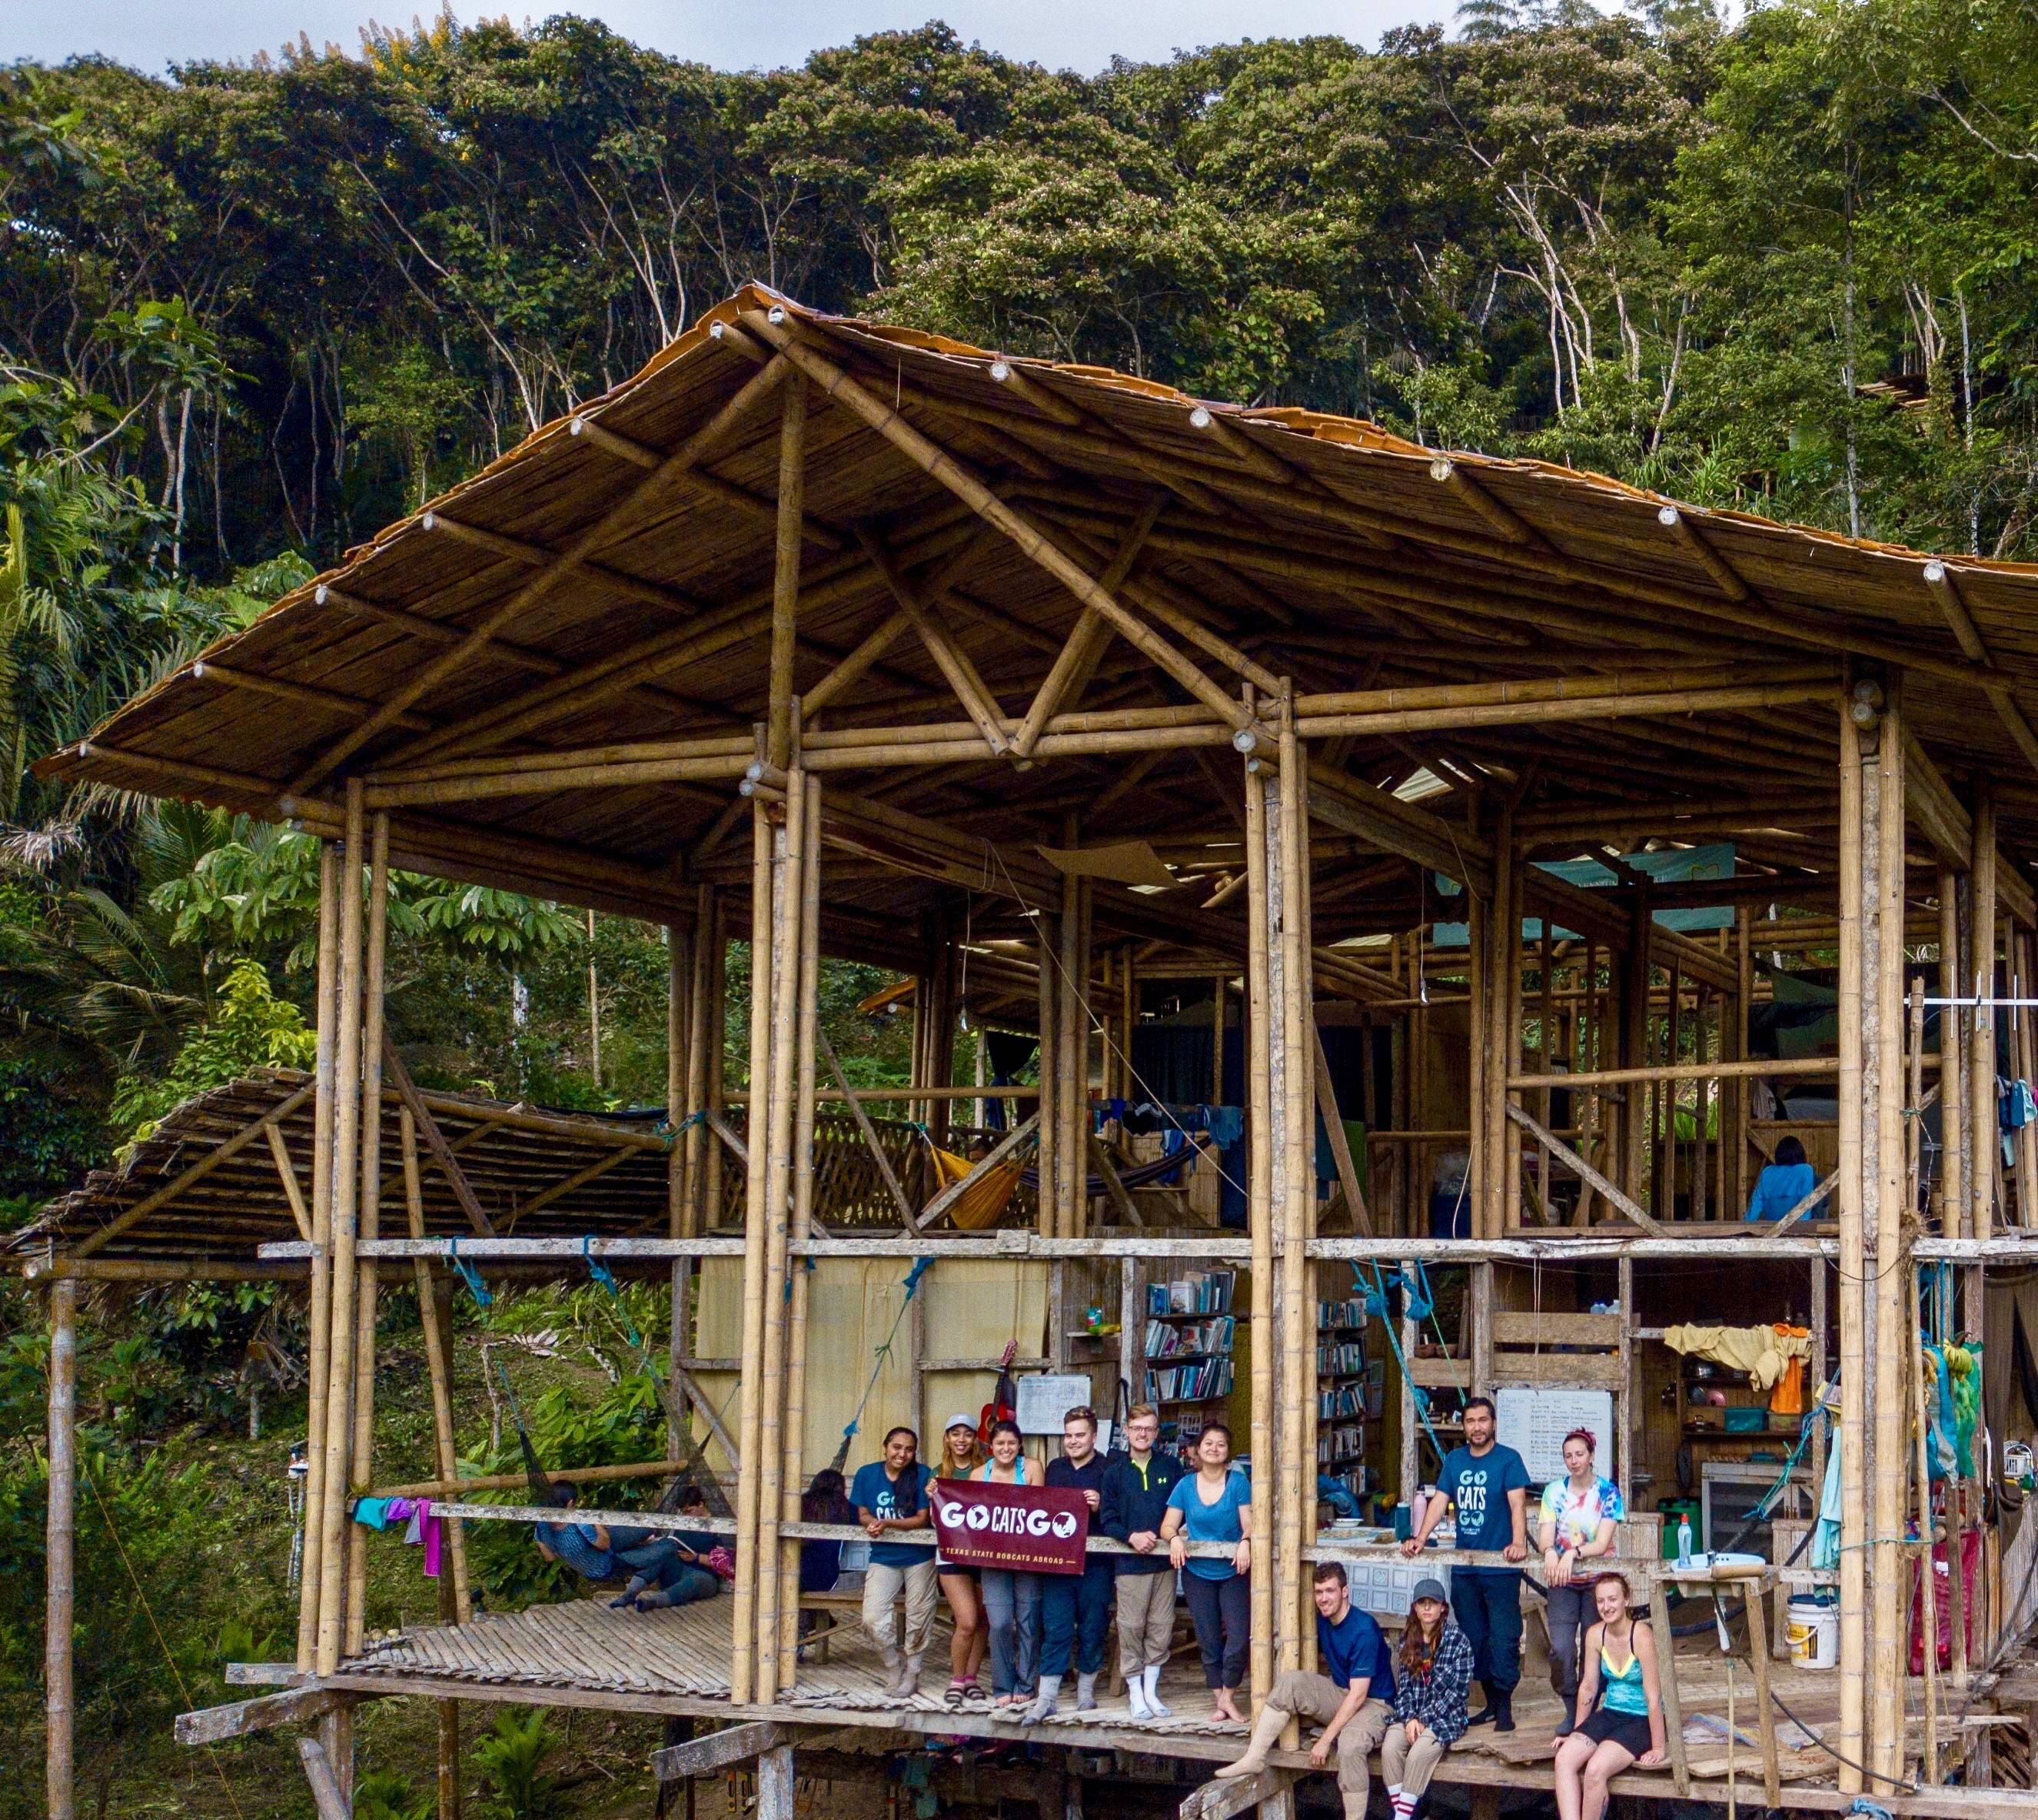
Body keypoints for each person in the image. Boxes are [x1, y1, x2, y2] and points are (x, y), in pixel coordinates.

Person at [1213, 1560, 1397, 1820]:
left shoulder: (1364, 1629)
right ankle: (1254, 1757)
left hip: (1375, 1703)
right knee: (1291, 1682)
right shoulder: (1323, 1617)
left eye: (1330, 1591)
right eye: (1319, 1592)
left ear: (1345, 1592)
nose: (1323, 1598)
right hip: (1341, 1692)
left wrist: (1324, 1740)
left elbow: (1359, 1696)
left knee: (1349, 1745)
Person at [1401, 1395, 1528, 1730]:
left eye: (1483, 1421)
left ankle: (1505, 1707)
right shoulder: (1455, 1461)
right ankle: (1489, 1703)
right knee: (1474, 1638)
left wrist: (1517, 1542)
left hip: (1500, 1567)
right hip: (1465, 1566)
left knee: (1504, 1637)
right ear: (1464, 1426)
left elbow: (1517, 1506)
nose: (1477, 1427)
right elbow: (1439, 1502)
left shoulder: (1509, 1460)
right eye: (1470, 1422)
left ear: (1493, 1423)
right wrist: (1419, 1537)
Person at [1160, 1419, 1253, 1725]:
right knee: (1209, 1639)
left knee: (1239, 1638)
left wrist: (1246, 1542)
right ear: (1197, 1450)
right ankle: (1222, 1700)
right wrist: (1174, 1539)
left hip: (1233, 1571)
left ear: (1228, 1452)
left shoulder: (1238, 1482)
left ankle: (1227, 1695)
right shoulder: (1186, 1486)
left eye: (1221, 1444)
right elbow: (1168, 1525)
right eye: (1208, 1443)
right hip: (1197, 1573)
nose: (1214, 1448)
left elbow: (1248, 1522)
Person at [1025, 1405, 1113, 1724]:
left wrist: (1101, 1504)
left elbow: (1120, 1515)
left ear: (1094, 1436)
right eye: (1069, 1436)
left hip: (1097, 1562)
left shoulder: (1110, 1467)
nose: (1074, 1441)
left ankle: (1085, 1691)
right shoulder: (1056, 1468)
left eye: (1080, 1435)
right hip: (1059, 1563)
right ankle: (1047, 1697)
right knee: (1057, 1627)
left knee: (1093, 1626)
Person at [1554, 1573, 1667, 1820]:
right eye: (1601, 1601)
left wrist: (1659, 1746)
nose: (1607, 1607)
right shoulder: (1596, 1634)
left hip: (1641, 1719)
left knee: (1595, 1770)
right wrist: (1577, 1732)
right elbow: (1588, 1689)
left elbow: (1653, 1696)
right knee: (1564, 1759)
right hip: (1610, 1712)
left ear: (1626, 1599)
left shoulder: (1642, 1635)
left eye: (1613, 1599)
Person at [1100, 1400, 1186, 1719]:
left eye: (1149, 1429)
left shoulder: (1170, 1467)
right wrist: (1131, 1536)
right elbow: (1107, 1519)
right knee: (1131, 1627)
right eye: (1137, 1428)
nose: (1143, 1434)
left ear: (1156, 1432)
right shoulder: (1114, 1473)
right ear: (1126, 1431)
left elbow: (1180, 1508)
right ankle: (1135, 1693)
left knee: (1162, 1626)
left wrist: (1172, 1534)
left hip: (1164, 1563)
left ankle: (1152, 1691)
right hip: (1130, 1564)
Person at [1538, 1428, 1624, 1736]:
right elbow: (1546, 1535)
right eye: (1568, 1456)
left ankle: (1590, 1707)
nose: (1574, 1461)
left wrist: (1572, 1553)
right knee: (1561, 1649)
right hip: (1562, 1581)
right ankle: (1571, 1705)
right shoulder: (1553, 1492)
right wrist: (1548, 1551)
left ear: (1591, 1456)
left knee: (1593, 1649)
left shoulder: (1608, 1493)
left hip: (1597, 1582)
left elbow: (1601, 1544)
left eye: (1579, 1454)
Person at [851, 1426, 937, 1698]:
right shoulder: (867, 1474)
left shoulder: (922, 1474)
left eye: (909, 1449)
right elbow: (863, 1512)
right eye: (897, 1447)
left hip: (919, 1557)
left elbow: (922, 1518)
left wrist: (887, 1522)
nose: (902, 1454)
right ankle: (892, 1665)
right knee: (872, 1618)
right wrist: (871, 1523)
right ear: (885, 1447)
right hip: (883, 1556)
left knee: (919, 1616)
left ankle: (913, 1672)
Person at [1381, 1579, 1474, 1820]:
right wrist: (1410, 1717)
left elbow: (1457, 1693)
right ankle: (1406, 1813)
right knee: (1390, 1747)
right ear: (1415, 1607)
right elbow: (1404, 1689)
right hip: (1412, 1716)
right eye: (1422, 1603)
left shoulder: (1457, 1641)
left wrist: (1423, 1719)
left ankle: (1401, 1817)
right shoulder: (1408, 1640)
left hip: (1445, 1718)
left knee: (1418, 1754)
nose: (1427, 1608)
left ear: (1443, 1607)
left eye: (1433, 1603)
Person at [977, 1418, 1046, 1712]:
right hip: (992, 1559)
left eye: (1011, 1443)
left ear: (1019, 1446)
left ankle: (1026, 1684)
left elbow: (1039, 1508)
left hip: (1028, 1556)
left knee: (1028, 1620)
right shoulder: (980, 1474)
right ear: (991, 1447)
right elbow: (970, 1514)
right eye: (1000, 1443)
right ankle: (1003, 1684)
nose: (1006, 1448)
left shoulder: (1031, 1468)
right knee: (1000, 1623)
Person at [933, 1412, 989, 1709]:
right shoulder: (937, 1471)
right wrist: (931, 1496)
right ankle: (956, 1678)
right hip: (951, 1554)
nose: (961, 1439)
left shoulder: (985, 1469)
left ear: (975, 1438)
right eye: (955, 1434)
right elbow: (931, 1518)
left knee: (983, 1619)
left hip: (983, 1554)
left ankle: (972, 1677)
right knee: (966, 1621)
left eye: (967, 1434)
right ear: (947, 1438)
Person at [1745, 1134, 1823, 1222]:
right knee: (1819, 1181)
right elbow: (1807, 1204)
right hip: (1799, 1226)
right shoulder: (1806, 1170)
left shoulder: (1767, 1172)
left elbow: (1755, 1207)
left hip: (1772, 1227)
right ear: (1801, 1154)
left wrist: (1745, 1228)